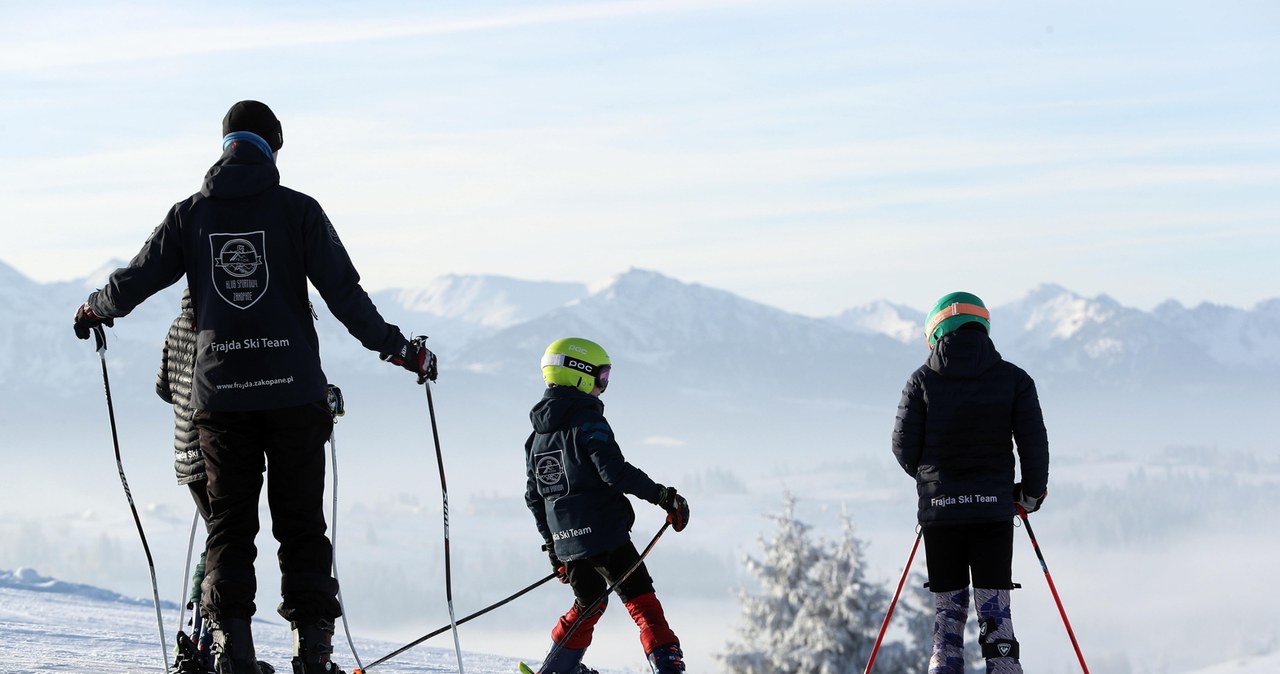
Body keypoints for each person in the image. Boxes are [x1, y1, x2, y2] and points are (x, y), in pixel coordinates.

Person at [73, 100, 436, 674]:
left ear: (225, 146)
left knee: (230, 527)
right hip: (294, 395)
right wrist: (400, 350)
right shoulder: (299, 212)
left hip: (221, 402)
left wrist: (95, 308)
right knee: (301, 525)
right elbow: (346, 296)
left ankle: (233, 656)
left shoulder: (189, 215)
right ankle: (312, 657)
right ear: (275, 145)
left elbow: (137, 280)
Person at [891, 292, 1049, 674]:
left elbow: (902, 447)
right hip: (993, 511)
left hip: (941, 516)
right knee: (996, 613)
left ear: (936, 332)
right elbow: (1033, 444)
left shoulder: (921, 381)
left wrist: (933, 484)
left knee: (948, 620)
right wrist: (1028, 496)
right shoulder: (1015, 379)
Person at [523, 338, 691, 674]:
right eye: (602, 376)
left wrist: (555, 549)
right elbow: (614, 472)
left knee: (589, 602)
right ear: (579, 374)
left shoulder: (536, 438)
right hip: (605, 534)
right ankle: (668, 668)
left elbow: (535, 496)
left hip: (568, 540)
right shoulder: (588, 420)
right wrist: (664, 497)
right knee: (643, 602)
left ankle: (557, 668)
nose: (604, 386)